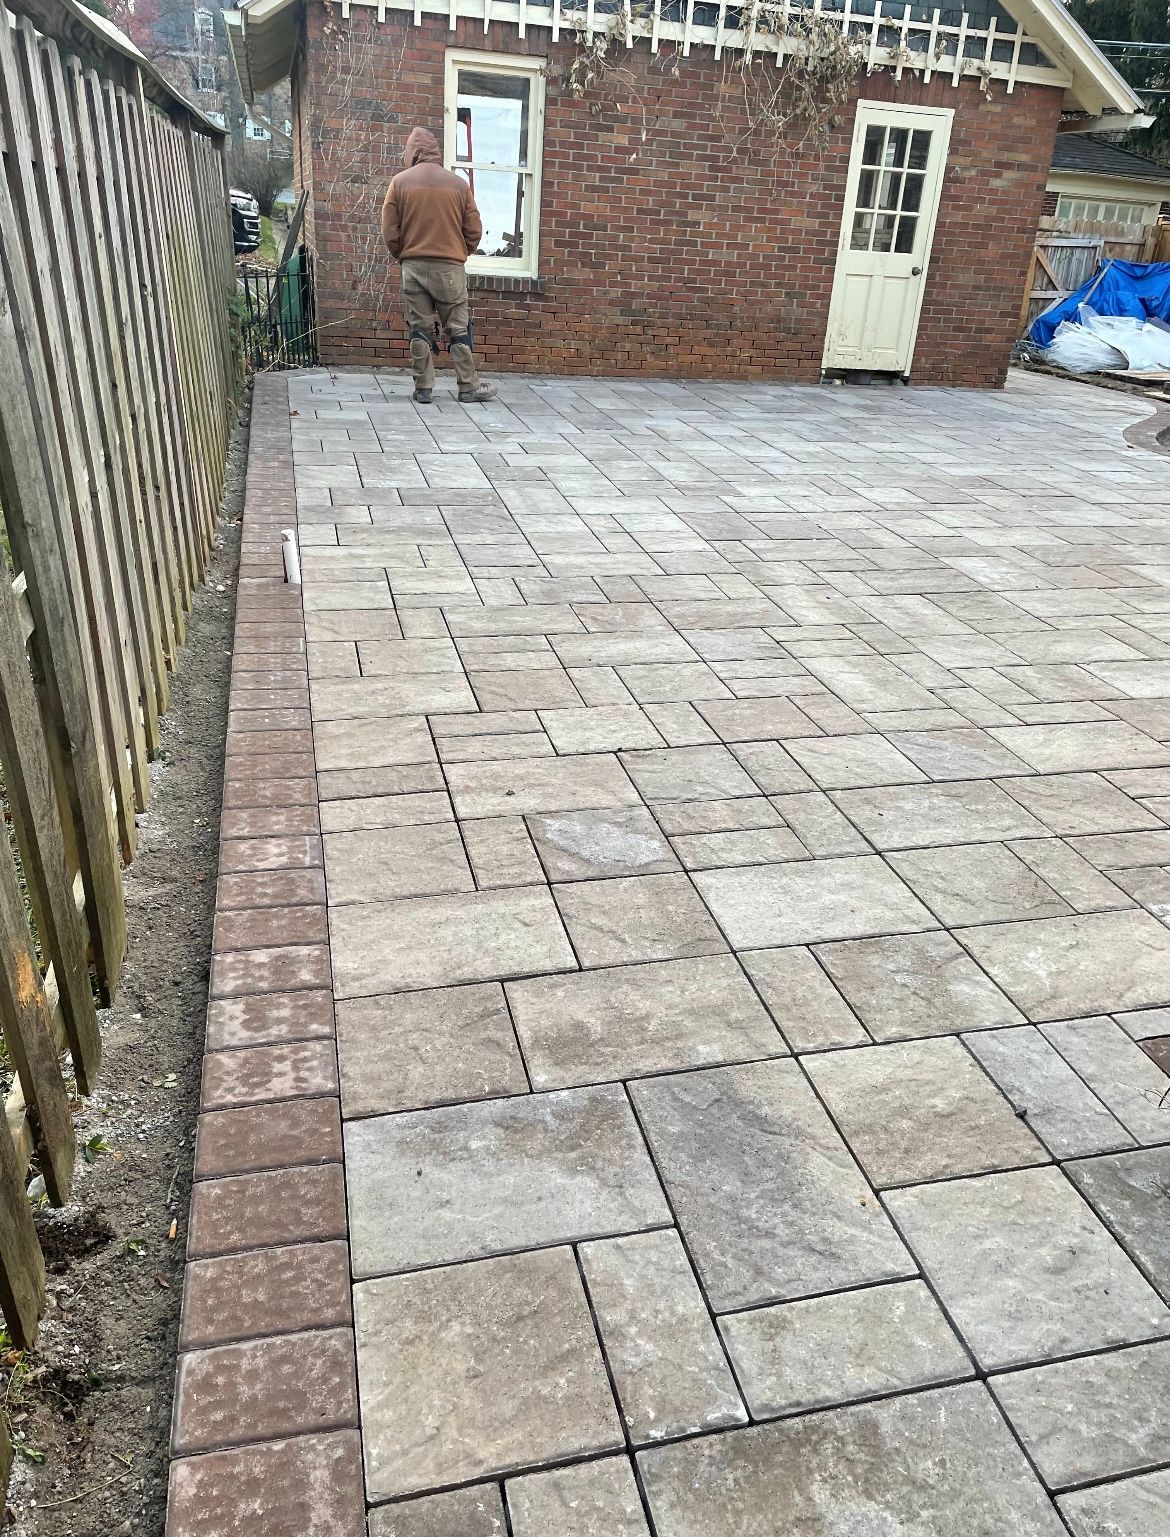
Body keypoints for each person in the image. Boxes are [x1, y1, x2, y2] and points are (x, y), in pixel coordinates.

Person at [380, 126, 497, 405]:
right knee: (458, 327)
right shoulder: (458, 185)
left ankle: (423, 389)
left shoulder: (399, 183)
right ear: (435, 152)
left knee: (419, 328)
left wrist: (403, 255)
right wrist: (461, 252)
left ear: (413, 153)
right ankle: (468, 386)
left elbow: (389, 230)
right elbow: (474, 229)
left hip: (413, 266)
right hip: (450, 268)